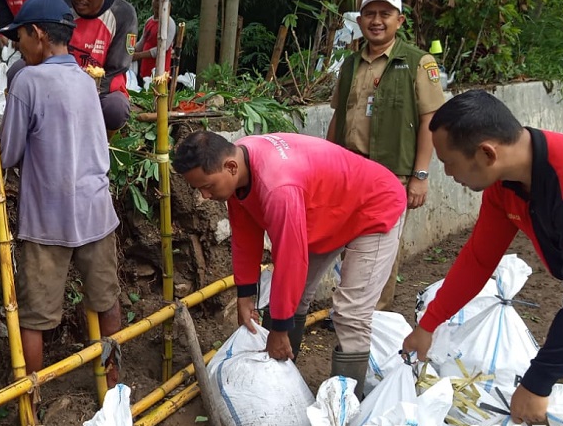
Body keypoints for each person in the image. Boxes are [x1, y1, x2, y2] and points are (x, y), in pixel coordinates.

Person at [402, 90, 563, 426]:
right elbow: (479, 258)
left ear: (486, 153)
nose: (448, 174)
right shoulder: (509, 180)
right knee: (561, 413)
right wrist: (429, 323)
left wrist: (537, 383)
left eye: (449, 162)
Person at [172, 130, 407, 398]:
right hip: (328, 210)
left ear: (231, 167)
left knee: (350, 313)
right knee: (290, 300)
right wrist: (245, 294)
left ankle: (344, 405)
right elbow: (245, 235)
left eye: (208, 186)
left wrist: (279, 330)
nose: (204, 195)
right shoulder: (239, 163)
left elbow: (290, 258)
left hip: (374, 206)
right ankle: (282, 381)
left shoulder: (278, 187)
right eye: (199, 188)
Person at [0, 0, 122, 388]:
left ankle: (31, 400)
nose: (18, 48)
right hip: (96, 212)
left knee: (35, 316)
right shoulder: (86, 81)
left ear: (37, 34)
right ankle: (115, 382)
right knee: (106, 300)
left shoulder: (27, 80)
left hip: (47, 220)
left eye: (19, 39)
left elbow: (8, 153)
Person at [326, 0, 445, 311]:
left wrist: (420, 175)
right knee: (350, 241)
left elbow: (429, 121)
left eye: (385, 14)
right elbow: (340, 116)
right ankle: (351, 305)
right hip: (349, 170)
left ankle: (374, 313)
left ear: (399, 20)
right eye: (370, 14)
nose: (376, 21)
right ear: (360, 19)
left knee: (380, 246)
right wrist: (325, 164)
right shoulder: (350, 64)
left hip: (391, 172)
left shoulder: (418, 62)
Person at [62, 0, 137, 132]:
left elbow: (117, 68)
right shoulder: (61, 9)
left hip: (101, 91)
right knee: (18, 70)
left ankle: (103, 146)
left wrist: (82, 93)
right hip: (60, 87)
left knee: (116, 108)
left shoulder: (123, 15)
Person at [132, 0, 177, 84]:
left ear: (168, 4)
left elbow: (161, 49)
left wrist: (138, 56)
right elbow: (142, 43)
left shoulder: (170, 23)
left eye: (162, 0)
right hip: (145, 71)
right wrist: (130, 51)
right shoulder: (149, 21)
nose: (158, 3)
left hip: (160, 75)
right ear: (152, 1)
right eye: (156, 0)